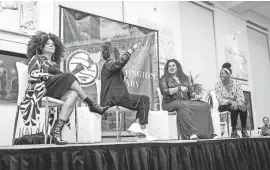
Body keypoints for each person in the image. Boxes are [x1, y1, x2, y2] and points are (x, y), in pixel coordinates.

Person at [19, 32, 109, 145]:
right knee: (68, 77)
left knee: (74, 95)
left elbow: (65, 80)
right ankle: (91, 103)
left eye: (53, 44)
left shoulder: (55, 64)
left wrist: (74, 71)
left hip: (53, 90)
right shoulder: (37, 58)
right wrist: (45, 75)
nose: (52, 45)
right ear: (40, 47)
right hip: (42, 89)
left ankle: (56, 131)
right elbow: (32, 75)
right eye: (47, 44)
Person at [100, 41, 156, 141]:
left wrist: (124, 79)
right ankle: (143, 129)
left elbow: (117, 78)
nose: (117, 53)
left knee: (141, 101)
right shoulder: (109, 63)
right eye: (114, 51)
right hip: (113, 98)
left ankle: (137, 125)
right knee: (144, 100)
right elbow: (121, 61)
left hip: (115, 97)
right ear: (110, 52)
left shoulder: (110, 66)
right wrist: (133, 48)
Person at [159, 59, 218, 140]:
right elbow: (164, 91)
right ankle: (191, 133)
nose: (171, 67)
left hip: (185, 101)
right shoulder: (164, 78)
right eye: (169, 66)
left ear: (177, 67)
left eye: (173, 65)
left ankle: (209, 134)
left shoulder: (184, 78)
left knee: (205, 105)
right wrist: (179, 88)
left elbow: (191, 91)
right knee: (183, 105)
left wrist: (196, 95)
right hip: (169, 102)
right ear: (167, 68)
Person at [214, 63, 249, 138]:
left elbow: (240, 95)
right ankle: (234, 130)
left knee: (243, 107)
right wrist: (231, 102)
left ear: (228, 74)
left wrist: (240, 101)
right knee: (234, 107)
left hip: (235, 103)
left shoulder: (236, 83)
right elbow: (220, 99)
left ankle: (243, 129)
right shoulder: (217, 85)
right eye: (220, 74)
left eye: (222, 74)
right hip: (223, 105)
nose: (220, 75)